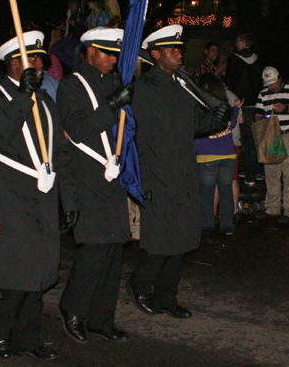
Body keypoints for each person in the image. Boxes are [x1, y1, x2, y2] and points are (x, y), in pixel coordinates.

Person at [0, 31, 71, 361]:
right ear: (12, 63)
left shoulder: (46, 102)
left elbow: (61, 151)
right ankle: (2, 330)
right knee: (15, 275)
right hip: (7, 197)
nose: (38, 65)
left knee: (38, 274)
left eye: (41, 60)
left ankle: (29, 337)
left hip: (42, 199)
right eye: (31, 60)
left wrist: (69, 198)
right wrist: (23, 97)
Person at [126, 25, 229, 319]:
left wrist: (202, 97)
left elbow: (195, 125)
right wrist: (142, 179)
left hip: (183, 171)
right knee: (160, 241)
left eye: (179, 49)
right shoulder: (143, 90)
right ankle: (140, 283)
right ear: (155, 54)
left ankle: (167, 297)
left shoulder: (182, 87)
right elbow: (138, 139)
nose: (178, 53)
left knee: (181, 241)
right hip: (158, 174)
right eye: (171, 49)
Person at [56, 27, 133, 344]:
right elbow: (76, 129)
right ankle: (72, 308)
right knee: (93, 250)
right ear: (89, 52)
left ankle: (102, 318)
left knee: (114, 251)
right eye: (107, 53)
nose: (113, 59)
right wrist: (113, 104)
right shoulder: (72, 86)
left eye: (116, 53)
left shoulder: (115, 81)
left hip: (113, 177)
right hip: (86, 177)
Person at [254, 67, 289, 224]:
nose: (270, 87)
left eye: (273, 83)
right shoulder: (263, 93)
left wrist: (286, 108)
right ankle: (272, 208)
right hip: (270, 136)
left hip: (288, 135)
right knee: (271, 173)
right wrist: (262, 122)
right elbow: (257, 113)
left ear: (279, 78)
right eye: (268, 84)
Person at [194, 73, 242, 236]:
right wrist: (236, 108)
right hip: (228, 155)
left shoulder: (201, 111)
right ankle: (227, 225)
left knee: (207, 193)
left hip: (207, 157)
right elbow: (234, 121)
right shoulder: (225, 110)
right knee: (226, 191)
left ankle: (207, 225)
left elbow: (196, 134)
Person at [224, 33, 263, 186]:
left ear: (243, 43)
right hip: (257, 106)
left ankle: (250, 176)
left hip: (241, 106)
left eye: (237, 41)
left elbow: (229, 81)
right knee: (256, 141)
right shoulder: (258, 60)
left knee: (244, 142)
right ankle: (257, 172)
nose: (235, 44)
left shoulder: (234, 60)